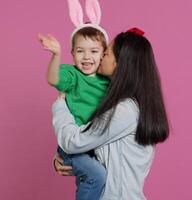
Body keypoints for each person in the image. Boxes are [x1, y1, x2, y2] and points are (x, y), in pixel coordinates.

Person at [52, 28, 169, 200]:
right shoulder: (128, 106)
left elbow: (73, 141)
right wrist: (65, 159)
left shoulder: (126, 111)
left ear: (119, 63)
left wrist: (60, 105)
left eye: (105, 53)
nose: (100, 57)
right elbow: (98, 151)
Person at [38, 1, 110, 199]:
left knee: (94, 183)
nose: (87, 57)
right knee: (96, 175)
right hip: (73, 146)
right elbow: (53, 79)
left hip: (95, 148)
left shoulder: (109, 80)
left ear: (104, 54)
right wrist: (56, 55)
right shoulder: (73, 75)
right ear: (72, 54)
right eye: (80, 51)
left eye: (94, 51)